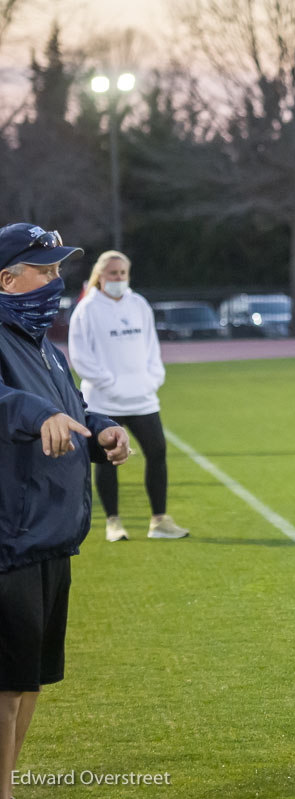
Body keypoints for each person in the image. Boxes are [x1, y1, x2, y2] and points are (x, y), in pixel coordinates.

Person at [0, 223, 131, 799]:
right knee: (5, 688)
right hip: (10, 542)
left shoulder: (42, 347)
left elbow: (72, 407)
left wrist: (101, 432)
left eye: (58, 270)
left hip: (50, 537)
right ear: (8, 279)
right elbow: (13, 405)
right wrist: (35, 413)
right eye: (44, 270)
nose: (57, 281)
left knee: (27, 686)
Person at [67, 251, 189, 541]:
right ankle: (113, 522)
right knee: (108, 458)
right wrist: (109, 382)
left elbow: (151, 348)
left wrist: (152, 379)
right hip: (103, 400)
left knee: (157, 451)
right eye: (113, 274)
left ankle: (159, 521)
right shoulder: (87, 309)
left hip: (142, 398)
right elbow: (80, 357)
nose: (118, 278)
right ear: (101, 276)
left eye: (123, 273)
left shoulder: (139, 304)